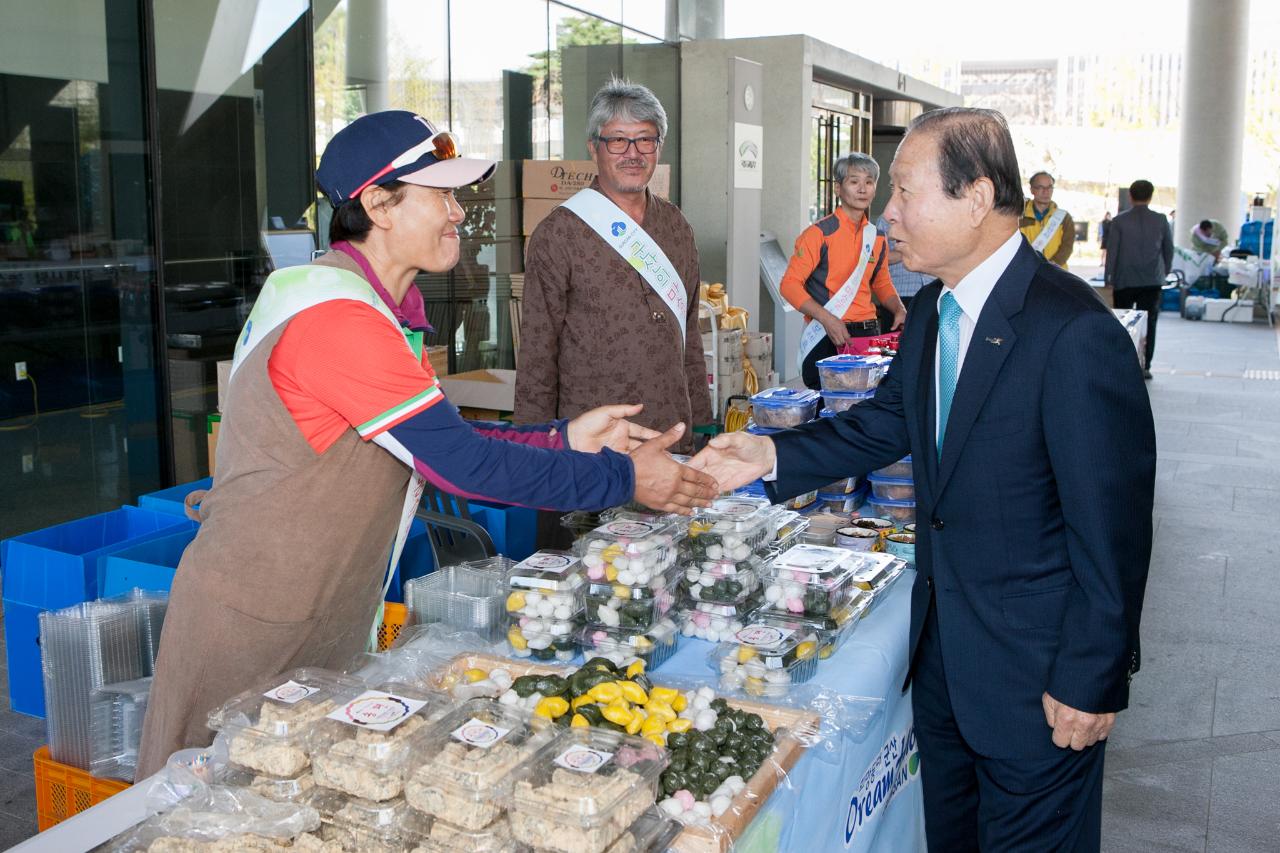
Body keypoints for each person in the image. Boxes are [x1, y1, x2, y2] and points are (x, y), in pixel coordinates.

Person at [136, 110, 718, 777]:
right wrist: (625, 478)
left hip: (317, 608)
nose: (458, 213)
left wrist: (569, 436)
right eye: (440, 193)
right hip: (254, 623)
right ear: (380, 206)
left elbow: (441, 440)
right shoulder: (339, 320)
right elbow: (465, 466)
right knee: (212, 812)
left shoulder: (369, 306)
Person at [691, 107, 1155, 852]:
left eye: (905, 193)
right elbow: (883, 424)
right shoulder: (936, 308)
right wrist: (769, 456)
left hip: (1037, 682)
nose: (888, 215)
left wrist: (1093, 676)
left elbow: (1114, 528)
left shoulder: (1073, 333)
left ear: (974, 198)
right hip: (944, 671)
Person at [515, 79, 711, 453]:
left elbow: (690, 330)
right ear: (594, 147)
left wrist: (702, 423)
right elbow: (538, 350)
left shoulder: (676, 226)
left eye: (645, 140)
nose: (632, 153)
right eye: (618, 140)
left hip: (671, 430)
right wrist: (535, 445)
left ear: (658, 148)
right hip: (594, 438)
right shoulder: (559, 233)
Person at [781, 153, 906, 390]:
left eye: (869, 182)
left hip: (868, 334)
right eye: (854, 181)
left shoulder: (877, 237)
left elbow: (881, 283)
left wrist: (898, 309)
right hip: (825, 333)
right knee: (827, 408)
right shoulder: (818, 234)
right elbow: (789, 285)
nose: (862, 189)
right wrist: (827, 319)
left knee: (867, 404)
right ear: (838, 188)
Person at [1106, 180, 1174, 378]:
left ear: (1130, 196)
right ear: (1150, 196)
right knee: (1150, 322)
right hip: (1152, 280)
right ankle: (1145, 365)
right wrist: (1165, 271)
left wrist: (1109, 276)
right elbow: (1168, 249)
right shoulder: (1161, 220)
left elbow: (1113, 252)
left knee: (1122, 322)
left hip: (1124, 279)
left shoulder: (1119, 221)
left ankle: (1122, 363)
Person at [1019, 170, 1075, 267]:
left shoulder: (1064, 217)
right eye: (1040, 187)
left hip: (1057, 272)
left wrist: (1052, 265)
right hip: (1027, 269)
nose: (1046, 191)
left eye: (1049, 187)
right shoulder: (1019, 215)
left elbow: (1067, 246)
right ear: (1032, 190)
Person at [876, 212, 931, 310]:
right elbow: (877, 257)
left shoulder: (933, 218)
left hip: (933, 291)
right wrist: (908, 251)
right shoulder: (886, 220)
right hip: (899, 294)